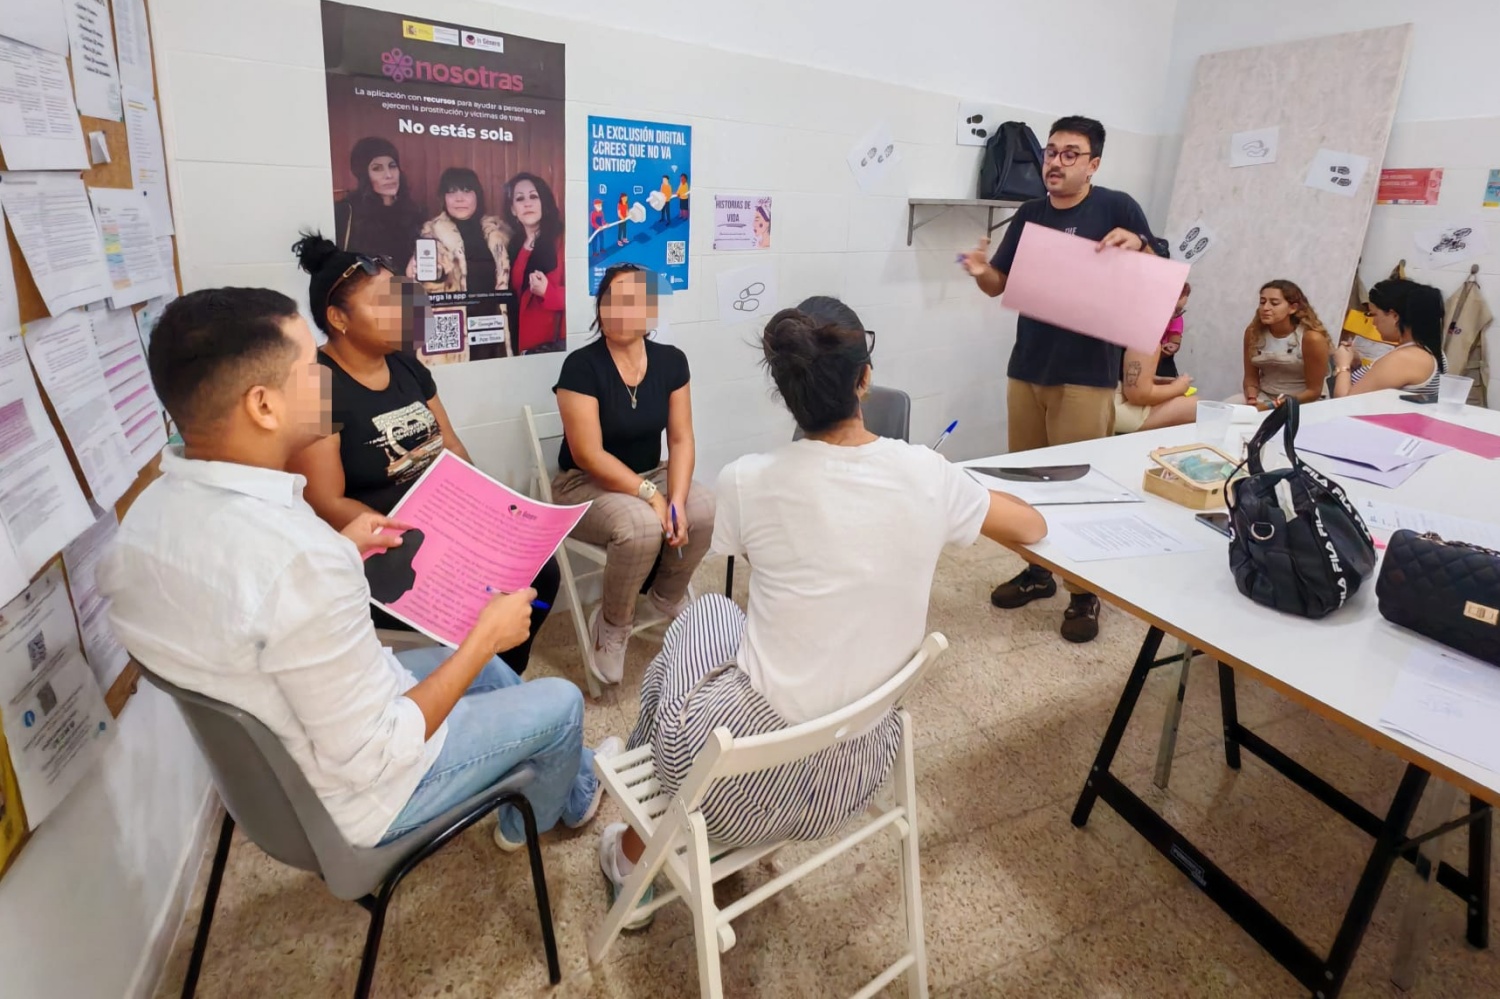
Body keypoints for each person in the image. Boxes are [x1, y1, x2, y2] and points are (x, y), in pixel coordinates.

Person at [98, 287, 618, 852]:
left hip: (278, 771)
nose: (326, 377)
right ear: (263, 405)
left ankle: (579, 775)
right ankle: (526, 821)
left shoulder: (146, 519)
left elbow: (267, 602)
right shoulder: (297, 560)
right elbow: (382, 750)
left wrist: (344, 548)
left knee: (475, 671)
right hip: (362, 797)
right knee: (561, 701)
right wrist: (485, 636)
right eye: (310, 367)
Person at [596, 304, 1047, 924]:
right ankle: (646, 773)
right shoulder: (928, 473)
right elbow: (1031, 525)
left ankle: (631, 848)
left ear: (786, 393)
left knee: (705, 618)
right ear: (865, 379)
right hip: (855, 775)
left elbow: (734, 551)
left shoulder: (747, 479)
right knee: (729, 625)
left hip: (728, 787)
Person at [288, 233, 560, 674]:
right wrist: (424, 533)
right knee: (484, 594)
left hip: (444, 522)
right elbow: (325, 501)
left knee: (540, 573)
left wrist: (489, 506)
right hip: (385, 542)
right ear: (338, 318)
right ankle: (467, 684)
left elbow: (449, 443)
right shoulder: (316, 382)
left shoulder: (404, 363)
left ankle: (502, 678)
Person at [960, 114, 1163, 643]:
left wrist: (1139, 245)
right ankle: (1037, 574)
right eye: (1051, 152)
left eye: (1070, 153)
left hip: (1087, 373)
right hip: (1028, 365)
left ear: (1094, 163)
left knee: (1076, 487)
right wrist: (984, 271)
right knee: (1026, 484)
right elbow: (999, 285)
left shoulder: (1116, 207)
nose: (1055, 162)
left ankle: (1084, 593)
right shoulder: (1029, 214)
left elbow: (1160, 267)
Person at [552, 264, 715, 686]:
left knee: (702, 507)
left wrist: (674, 499)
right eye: (610, 300)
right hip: (583, 484)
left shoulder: (671, 362)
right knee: (643, 525)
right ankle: (614, 625)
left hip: (648, 474)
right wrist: (653, 496)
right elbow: (588, 455)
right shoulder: (581, 367)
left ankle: (664, 598)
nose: (618, 311)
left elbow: (681, 440)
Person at [1332, 278, 1446, 398]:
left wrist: (1343, 365)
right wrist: (1356, 364)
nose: (1373, 322)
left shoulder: (1406, 358)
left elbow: (1346, 401)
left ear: (1394, 316)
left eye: (1374, 314)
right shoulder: (1421, 351)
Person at [409, 167, 511, 296]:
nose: (459, 199)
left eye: (466, 191)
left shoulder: (499, 231)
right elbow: (422, 286)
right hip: (452, 313)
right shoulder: (430, 234)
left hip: (493, 314)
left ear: (477, 195)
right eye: (451, 192)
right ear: (443, 198)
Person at [1230, 280, 1331, 408]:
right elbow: (1251, 378)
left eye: (1274, 303)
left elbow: (1313, 392)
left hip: (1303, 402)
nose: (1265, 308)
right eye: (1262, 302)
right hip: (1265, 396)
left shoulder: (1311, 339)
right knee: (1228, 408)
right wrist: (1251, 397)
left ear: (1292, 308)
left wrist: (1272, 406)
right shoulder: (1253, 333)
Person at [333, 137, 424, 272]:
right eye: (377, 168)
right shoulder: (347, 211)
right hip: (364, 290)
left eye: (392, 166)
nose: (388, 175)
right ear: (364, 175)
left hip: (404, 289)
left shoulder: (414, 212)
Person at [504, 172, 566, 355]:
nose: (527, 203)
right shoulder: (512, 244)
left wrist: (549, 292)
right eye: (519, 199)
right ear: (513, 210)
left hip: (551, 348)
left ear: (544, 203)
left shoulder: (563, 240)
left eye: (533, 196)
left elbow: (584, 294)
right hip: (520, 346)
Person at [1114, 341, 1197, 433]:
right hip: (1111, 408)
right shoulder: (1145, 339)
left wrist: (1158, 380)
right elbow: (1139, 396)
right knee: (1195, 406)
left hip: (1107, 398)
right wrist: (1178, 388)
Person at [1156, 282, 1190, 379]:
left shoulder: (1177, 318)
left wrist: (1173, 347)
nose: (1175, 316)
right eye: (1174, 310)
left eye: (1180, 311)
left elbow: (1175, 341)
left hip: (1164, 362)